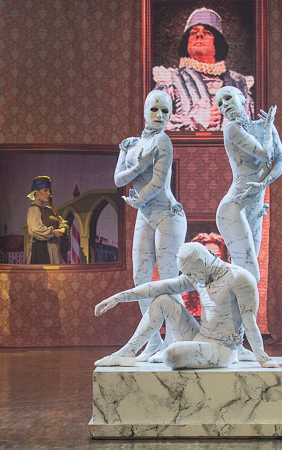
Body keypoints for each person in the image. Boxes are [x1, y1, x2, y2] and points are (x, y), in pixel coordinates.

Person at [94, 242, 282, 369]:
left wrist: (263, 359)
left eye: (192, 273)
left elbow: (249, 321)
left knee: (171, 354)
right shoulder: (198, 275)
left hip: (223, 349)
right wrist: (119, 297)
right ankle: (126, 354)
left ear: (203, 262)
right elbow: (159, 287)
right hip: (199, 336)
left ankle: (179, 351)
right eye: (187, 274)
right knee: (162, 300)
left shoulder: (240, 278)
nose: (190, 278)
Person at [115, 89, 187, 361]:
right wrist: (139, 166)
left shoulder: (163, 140)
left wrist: (138, 199)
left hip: (168, 214)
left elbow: (158, 182)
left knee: (168, 279)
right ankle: (153, 339)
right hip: (145, 214)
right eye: (154, 109)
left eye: (165, 111)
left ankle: (174, 338)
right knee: (140, 279)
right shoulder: (130, 144)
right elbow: (119, 179)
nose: (159, 115)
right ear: (144, 111)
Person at [215, 86, 282, 282]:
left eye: (228, 98)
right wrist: (268, 128)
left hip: (255, 206)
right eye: (220, 104)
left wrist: (263, 184)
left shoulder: (263, 126)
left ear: (242, 98)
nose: (224, 105)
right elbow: (265, 154)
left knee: (248, 276)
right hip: (234, 206)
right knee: (250, 273)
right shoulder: (231, 129)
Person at [153, 7, 254, 131]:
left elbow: (252, 129)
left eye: (207, 33)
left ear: (217, 42)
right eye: (193, 32)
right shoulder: (170, 79)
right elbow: (154, 122)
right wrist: (193, 121)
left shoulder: (239, 83)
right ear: (187, 42)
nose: (199, 35)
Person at [25, 176, 67, 265]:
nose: (49, 193)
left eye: (49, 191)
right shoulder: (34, 209)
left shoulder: (48, 210)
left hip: (52, 249)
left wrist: (63, 228)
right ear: (37, 193)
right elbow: (35, 230)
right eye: (45, 190)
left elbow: (61, 221)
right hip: (41, 250)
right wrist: (53, 233)